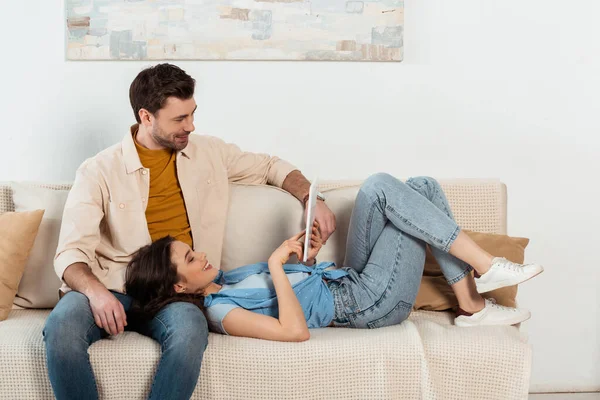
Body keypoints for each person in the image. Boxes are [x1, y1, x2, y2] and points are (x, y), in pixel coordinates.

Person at [43, 63, 336, 400]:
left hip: (178, 293)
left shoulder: (208, 152)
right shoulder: (98, 171)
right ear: (147, 117)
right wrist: (95, 293)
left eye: (192, 114)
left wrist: (312, 197)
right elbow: (70, 253)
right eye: (179, 119)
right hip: (114, 287)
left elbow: (270, 166)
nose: (191, 126)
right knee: (62, 327)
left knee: (189, 332)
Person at [125, 173, 544, 342]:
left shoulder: (228, 278)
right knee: (405, 196)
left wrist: (305, 257)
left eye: (192, 249)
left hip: (346, 277)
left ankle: (472, 304)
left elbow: (301, 288)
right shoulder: (219, 313)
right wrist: (275, 265)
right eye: (190, 259)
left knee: (417, 186)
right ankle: (483, 271)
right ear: (179, 286)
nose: (200, 256)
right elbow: (294, 331)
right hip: (368, 304)